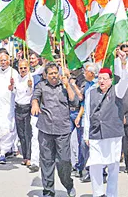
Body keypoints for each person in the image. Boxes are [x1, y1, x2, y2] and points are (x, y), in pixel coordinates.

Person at [83, 51, 128, 197]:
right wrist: (86, 135)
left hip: (113, 133)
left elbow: (125, 81)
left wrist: (123, 63)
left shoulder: (117, 90)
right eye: (100, 78)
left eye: (105, 79)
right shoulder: (91, 92)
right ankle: (97, 193)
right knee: (95, 164)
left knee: (113, 165)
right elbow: (87, 115)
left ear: (110, 80)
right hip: (96, 133)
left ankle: (111, 194)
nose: (102, 81)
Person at [31, 63, 77, 197]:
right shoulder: (41, 85)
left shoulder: (64, 85)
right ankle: (48, 191)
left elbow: (74, 102)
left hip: (62, 129)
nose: (53, 76)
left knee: (63, 161)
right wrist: (35, 104)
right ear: (46, 75)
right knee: (46, 161)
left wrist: (68, 85)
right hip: (45, 129)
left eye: (55, 73)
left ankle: (68, 184)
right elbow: (35, 97)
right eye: (50, 73)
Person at [75, 61, 99, 181]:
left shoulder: (99, 85)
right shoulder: (88, 85)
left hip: (95, 121)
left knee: (94, 147)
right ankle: (88, 170)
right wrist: (79, 116)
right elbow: (84, 102)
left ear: (92, 73)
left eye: (86, 71)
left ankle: (98, 171)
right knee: (84, 146)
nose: (84, 73)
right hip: (86, 119)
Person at [14, 59, 34, 167]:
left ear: (28, 68)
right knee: (21, 134)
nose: (23, 70)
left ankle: (29, 156)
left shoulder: (30, 78)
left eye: (24, 68)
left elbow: (31, 93)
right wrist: (11, 86)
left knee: (27, 134)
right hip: (18, 107)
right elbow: (14, 92)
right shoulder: (16, 78)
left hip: (27, 108)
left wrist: (30, 86)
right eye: (21, 68)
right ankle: (24, 156)